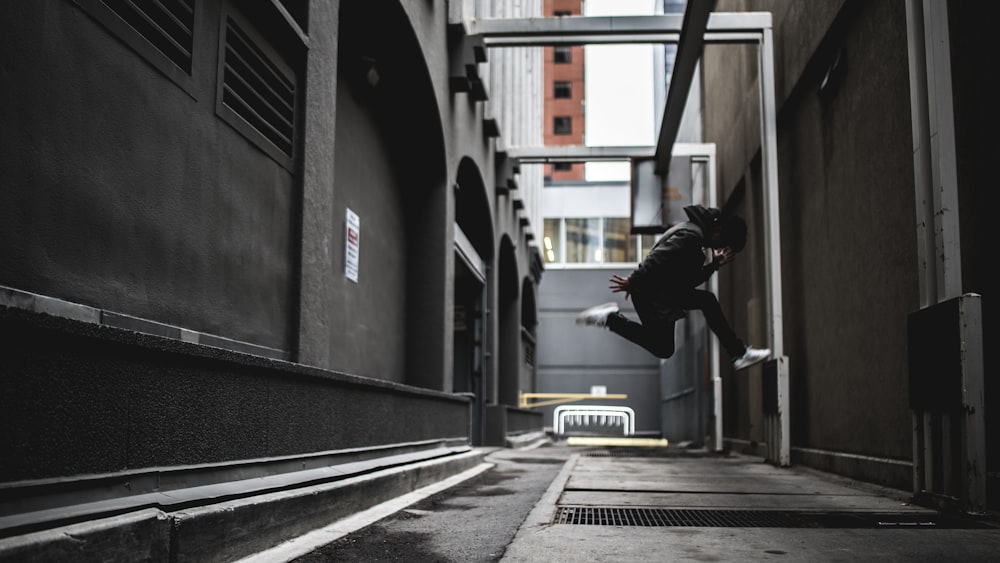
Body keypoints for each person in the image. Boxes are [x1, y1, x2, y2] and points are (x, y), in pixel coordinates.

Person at [575, 204, 770, 371]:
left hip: (663, 293)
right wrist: (633, 281)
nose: (717, 248)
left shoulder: (694, 234)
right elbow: (657, 257)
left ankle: (738, 353)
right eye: (722, 243)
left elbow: (686, 280)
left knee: (699, 309)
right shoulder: (691, 237)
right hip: (653, 296)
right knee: (667, 344)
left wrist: (714, 265)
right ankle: (610, 319)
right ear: (718, 232)